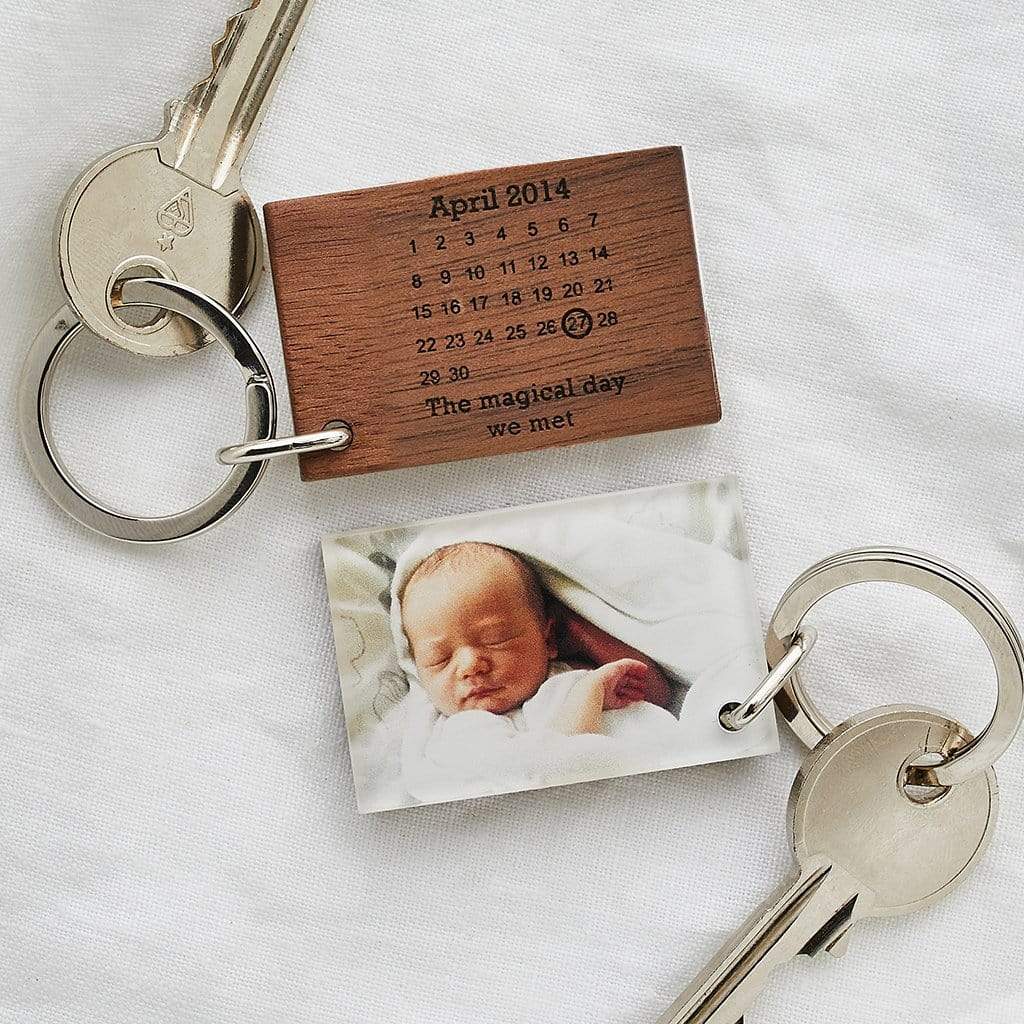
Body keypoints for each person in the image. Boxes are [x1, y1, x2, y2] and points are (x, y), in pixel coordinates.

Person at [399, 541, 675, 738]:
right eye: (440, 658)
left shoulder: (570, 679)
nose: (470, 665)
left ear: (549, 637)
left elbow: (657, 693)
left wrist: (581, 637)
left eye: (496, 639)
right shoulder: (432, 728)